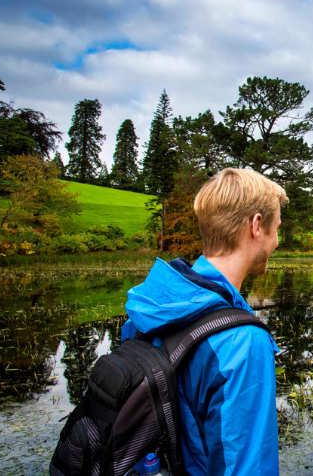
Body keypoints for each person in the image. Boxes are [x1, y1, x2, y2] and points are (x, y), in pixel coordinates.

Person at [121, 168, 287, 475]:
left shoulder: (149, 307)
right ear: (257, 226)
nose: (277, 241)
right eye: (277, 228)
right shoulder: (243, 343)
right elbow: (248, 466)